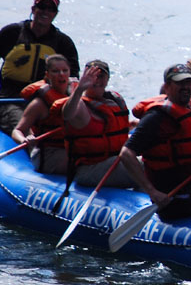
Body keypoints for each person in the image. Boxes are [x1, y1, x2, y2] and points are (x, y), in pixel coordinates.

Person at [120, 64, 191, 221]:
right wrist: (152, 192)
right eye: (180, 83)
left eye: (188, 82)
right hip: (173, 195)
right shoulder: (157, 118)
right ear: (167, 87)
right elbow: (126, 154)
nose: (185, 87)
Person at [0, 0, 80, 135]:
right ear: (33, 9)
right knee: (27, 131)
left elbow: (73, 76)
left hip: (46, 101)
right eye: (42, 7)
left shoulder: (63, 42)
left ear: (55, 14)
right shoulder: (11, 33)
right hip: (9, 101)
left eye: (51, 9)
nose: (46, 12)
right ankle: (29, 144)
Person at [50, 59, 133, 188]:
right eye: (91, 76)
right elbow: (67, 114)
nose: (96, 80)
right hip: (90, 170)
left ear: (107, 79)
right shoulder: (81, 104)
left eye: (101, 76)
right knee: (143, 167)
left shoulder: (115, 100)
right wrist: (80, 89)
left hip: (112, 164)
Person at [11, 54, 73, 174]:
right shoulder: (39, 104)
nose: (61, 74)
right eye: (55, 71)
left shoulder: (77, 96)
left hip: (70, 149)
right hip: (48, 153)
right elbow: (17, 130)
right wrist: (24, 140)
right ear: (47, 75)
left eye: (65, 70)